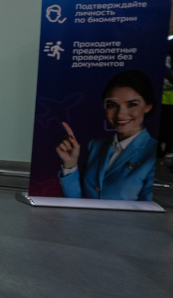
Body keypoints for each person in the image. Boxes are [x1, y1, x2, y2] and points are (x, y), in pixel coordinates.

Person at [56, 69, 158, 201]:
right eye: (112, 105)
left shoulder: (152, 152)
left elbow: (150, 209)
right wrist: (70, 165)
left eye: (132, 105)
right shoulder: (96, 146)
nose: (120, 114)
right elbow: (76, 201)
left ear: (148, 106)